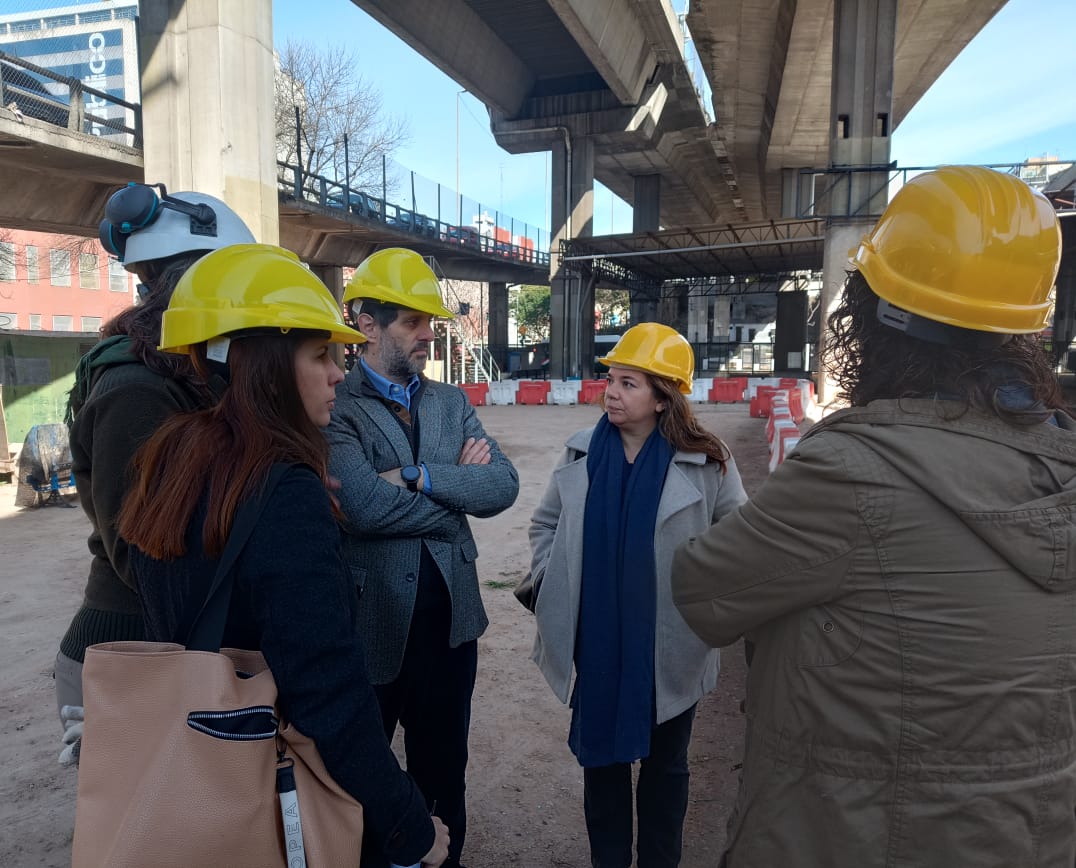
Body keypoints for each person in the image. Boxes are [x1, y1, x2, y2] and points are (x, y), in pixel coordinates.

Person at [670, 165, 1076, 867]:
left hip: (858, 833)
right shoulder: (1063, 461)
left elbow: (705, 590)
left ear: (877, 313)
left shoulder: (852, 472)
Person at [117, 243, 450, 868]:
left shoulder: (173, 456)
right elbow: (327, 691)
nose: (336, 374)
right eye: (320, 355)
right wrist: (408, 826)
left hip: (197, 763)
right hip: (266, 783)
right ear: (261, 363)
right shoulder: (284, 490)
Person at [524, 322, 746, 868]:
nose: (612, 393)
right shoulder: (581, 453)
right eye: (612, 380)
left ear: (663, 396)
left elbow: (739, 536)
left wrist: (708, 600)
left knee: (667, 767)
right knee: (601, 765)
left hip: (672, 644)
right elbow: (544, 524)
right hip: (595, 642)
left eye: (628, 383)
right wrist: (552, 576)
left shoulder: (708, 460)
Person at [325, 248, 520, 868]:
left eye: (429, 323)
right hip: (374, 626)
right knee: (365, 780)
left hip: (450, 628)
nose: (427, 335)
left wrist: (413, 476)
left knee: (444, 772)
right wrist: (454, 495)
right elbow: (361, 508)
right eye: (411, 322)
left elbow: (503, 486)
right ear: (366, 325)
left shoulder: (450, 402)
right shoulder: (336, 406)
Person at [54, 183, 255, 761]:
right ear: (201, 280)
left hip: (168, 645)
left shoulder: (187, 371)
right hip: (132, 647)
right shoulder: (137, 387)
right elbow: (146, 556)